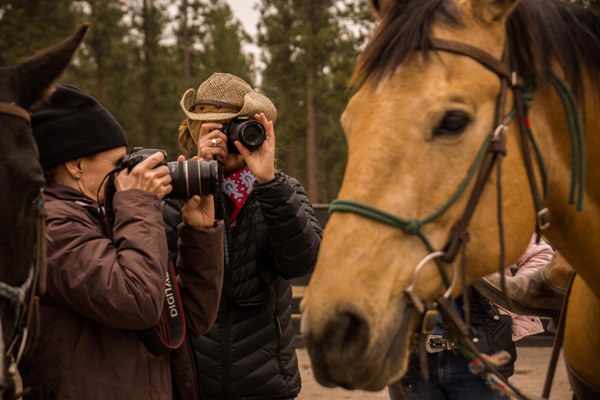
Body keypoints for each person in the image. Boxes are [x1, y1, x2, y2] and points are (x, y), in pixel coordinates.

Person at [21, 84, 224, 399]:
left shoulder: (109, 216)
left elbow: (187, 321)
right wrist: (139, 202)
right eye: (118, 163)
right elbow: (136, 302)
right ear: (74, 165)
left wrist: (199, 231)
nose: (126, 173)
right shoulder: (50, 226)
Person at [162, 72, 323, 399]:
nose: (232, 140)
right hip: (192, 380)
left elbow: (303, 261)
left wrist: (269, 182)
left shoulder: (282, 190)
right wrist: (204, 180)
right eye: (218, 130)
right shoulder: (174, 191)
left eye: (238, 127)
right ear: (198, 134)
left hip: (265, 382)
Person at [389, 235, 555, 400]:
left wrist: (503, 304)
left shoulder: (489, 210)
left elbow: (541, 255)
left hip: (478, 355)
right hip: (410, 356)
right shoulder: (394, 211)